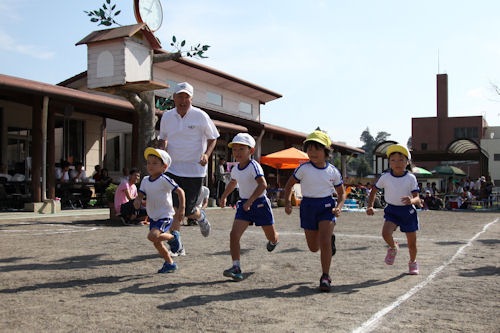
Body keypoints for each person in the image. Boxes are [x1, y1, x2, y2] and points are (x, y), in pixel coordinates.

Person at [158, 82, 219, 251]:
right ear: (174, 98)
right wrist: (161, 151)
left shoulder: (200, 116)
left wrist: (206, 155)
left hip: (194, 170)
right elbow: (163, 138)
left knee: (188, 210)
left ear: (191, 99)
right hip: (172, 168)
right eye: (180, 96)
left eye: (186, 97)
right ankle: (177, 246)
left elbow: (213, 137)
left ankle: (200, 216)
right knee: (175, 207)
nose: (183, 100)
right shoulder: (167, 117)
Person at [284, 130, 345, 292]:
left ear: (326, 151)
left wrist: (338, 207)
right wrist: (287, 203)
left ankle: (325, 276)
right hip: (308, 207)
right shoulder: (302, 169)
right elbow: (289, 185)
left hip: (326, 207)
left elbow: (341, 193)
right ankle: (328, 240)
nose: (312, 153)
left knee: (324, 241)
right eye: (309, 149)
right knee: (313, 247)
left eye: (317, 149)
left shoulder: (333, 171)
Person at [219, 133, 279, 281]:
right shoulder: (235, 169)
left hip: (259, 204)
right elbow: (233, 183)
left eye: (241, 149)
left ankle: (274, 241)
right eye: (234, 149)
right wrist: (224, 196)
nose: (237, 153)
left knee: (271, 236)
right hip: (244, 206)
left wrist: (250, 201)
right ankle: (236, 267)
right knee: (234, 235)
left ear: (251, 151)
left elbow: (263, 185)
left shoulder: (254, 166)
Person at [366, 144, 421, 275]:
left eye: (401, 160)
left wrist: (411, 200)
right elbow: (373, 191)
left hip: (408, 212)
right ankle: (393, 247)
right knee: (385, 233)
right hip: (392, 210)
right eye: (393, 160)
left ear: (407, 162)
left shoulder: (410, 178)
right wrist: (370, 206)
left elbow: (418, 198)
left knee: (411, 243)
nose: (397, 163)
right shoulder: (385, 177)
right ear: (389, 162)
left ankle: (413, 262)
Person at [133, 147, 185, 274]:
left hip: (165, 215)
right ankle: (170, 263)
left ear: (164, 167)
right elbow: (140, 195)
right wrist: (137, 201)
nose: (150, 165)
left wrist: (182, 209)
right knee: (157, 242)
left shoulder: (164, 179)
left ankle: (173, 238)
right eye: (149, 162)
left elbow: (180, 192)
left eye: (155, 163)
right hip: (153, 216)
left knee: (153, 236)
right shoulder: (145, 180)